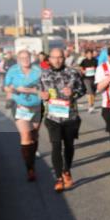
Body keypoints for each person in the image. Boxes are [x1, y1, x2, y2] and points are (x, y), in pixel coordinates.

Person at [39, 47, 86, 192]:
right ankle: (59, 177)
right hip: (52, 117)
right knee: (56, 145)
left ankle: (67, 171)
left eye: (60, 57)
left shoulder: (73, 73)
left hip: (70, 116)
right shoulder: (44, 75)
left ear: (63, 58)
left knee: (69, 146)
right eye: (54, 57)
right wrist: (42, 95)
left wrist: (73, 93)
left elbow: (83, 90)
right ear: (49, 59)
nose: (57, 60)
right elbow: (39, 91)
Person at [4, 50, 43, 181]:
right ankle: (30, 168)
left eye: (27, 57)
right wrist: (12, 90)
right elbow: (6, 87)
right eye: (22, 58)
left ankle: (32, 157)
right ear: (18, 59)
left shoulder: (38, 70)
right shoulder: (13, 70)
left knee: (34, 134)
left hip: (36, 106)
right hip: (20, 106)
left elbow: (45, 88)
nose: (25, 60)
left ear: (31, 58)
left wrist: (31, 90)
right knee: (26, 136)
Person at [78, 48, 98, 113]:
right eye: (88, 54)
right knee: (90, 91)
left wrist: (95, 69)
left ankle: (92, 103)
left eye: (90, 54)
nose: (89, 55)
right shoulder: (84, 61)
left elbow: (98, 67)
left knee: (94, 92)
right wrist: (83, 71)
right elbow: (80, 67)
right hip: (86, 78)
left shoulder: (95, 60)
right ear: (86, 55)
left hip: (94, 78)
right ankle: (90, 105)